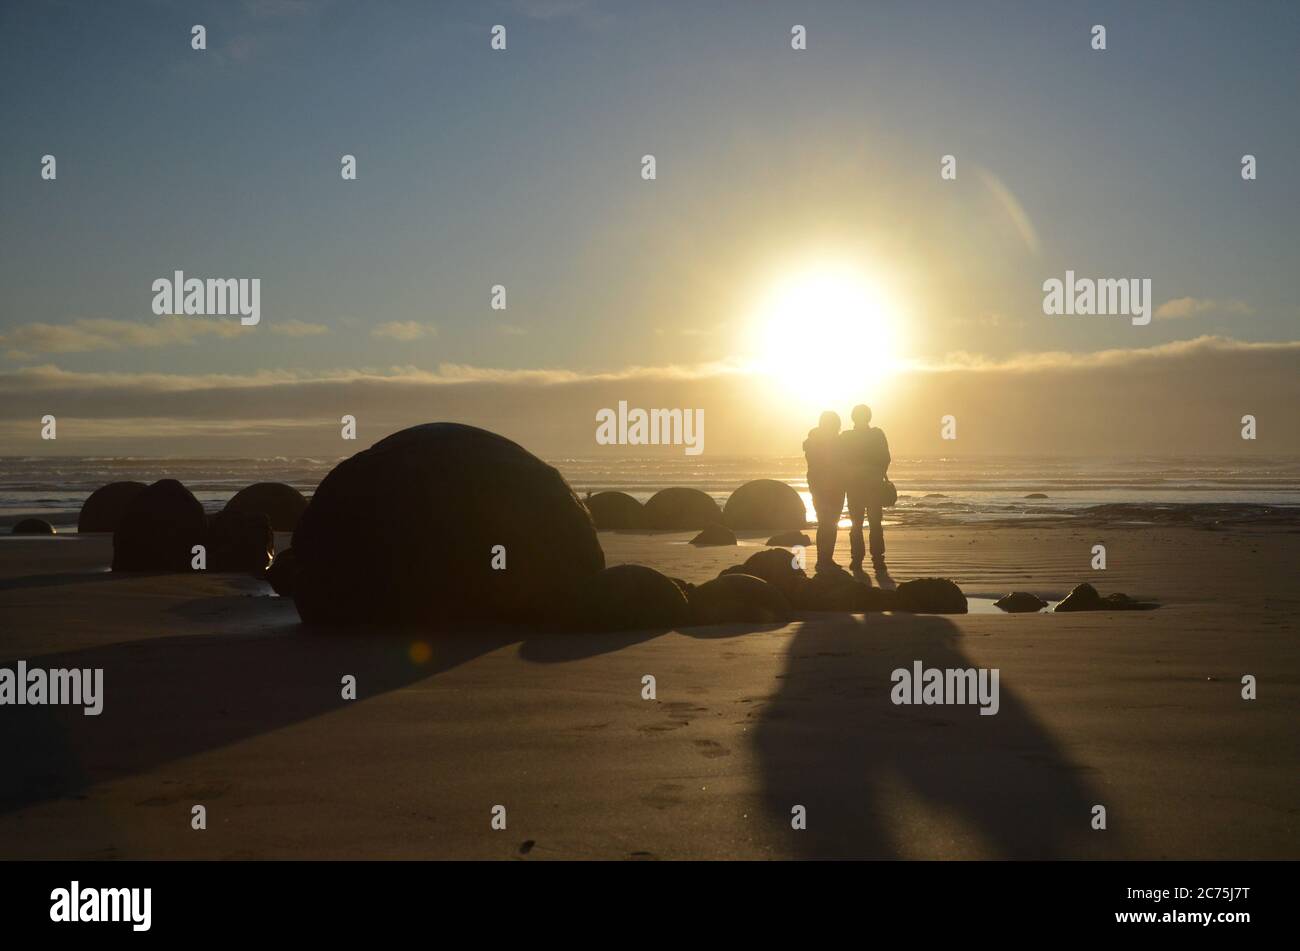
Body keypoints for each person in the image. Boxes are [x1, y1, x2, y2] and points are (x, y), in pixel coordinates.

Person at [839, 404, 891, 573]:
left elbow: (840, 461)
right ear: (868, 417)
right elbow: (885, 458)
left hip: (855, 486)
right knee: (874, 523)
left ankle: (858, 560)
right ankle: (877, 559)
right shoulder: (877, 434)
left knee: (857, 524)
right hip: (872, 485)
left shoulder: (846, 437)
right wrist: (876, 472)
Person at [802, 410, 845, 572]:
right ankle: (824, 559)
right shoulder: (834, 442)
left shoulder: (812, 442)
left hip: (818, 487)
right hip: (832, 487)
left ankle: (825, 559)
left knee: (826, 522)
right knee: (830, 522)